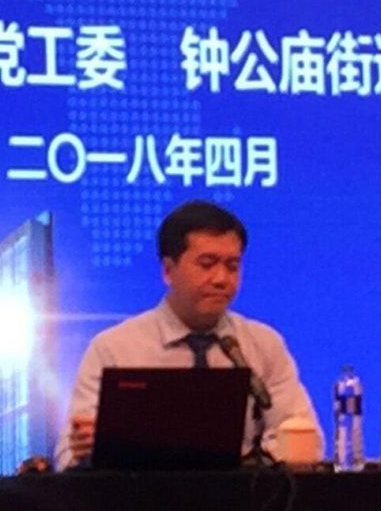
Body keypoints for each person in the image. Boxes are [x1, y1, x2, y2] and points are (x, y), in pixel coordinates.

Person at [61, 199, 319, 467]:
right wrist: (90, 449)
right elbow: (66, 454)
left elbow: (306, 437)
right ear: (168, 270)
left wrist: (251, 466)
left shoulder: (263, 344)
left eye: (232, 266)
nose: (221, 279)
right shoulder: (114, 348)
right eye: (207, 264)